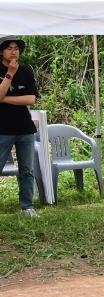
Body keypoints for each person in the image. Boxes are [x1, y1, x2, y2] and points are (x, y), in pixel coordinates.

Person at [0, 35, 39, 217]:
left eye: (16, 48)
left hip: (25, 129)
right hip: (2, 129)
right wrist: (9, 74)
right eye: (9, 48)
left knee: (27, 170)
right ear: (2, 52)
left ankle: (27, 207)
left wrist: (4, 99)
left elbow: (31, 99)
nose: (14, 51)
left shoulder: (26, 71)